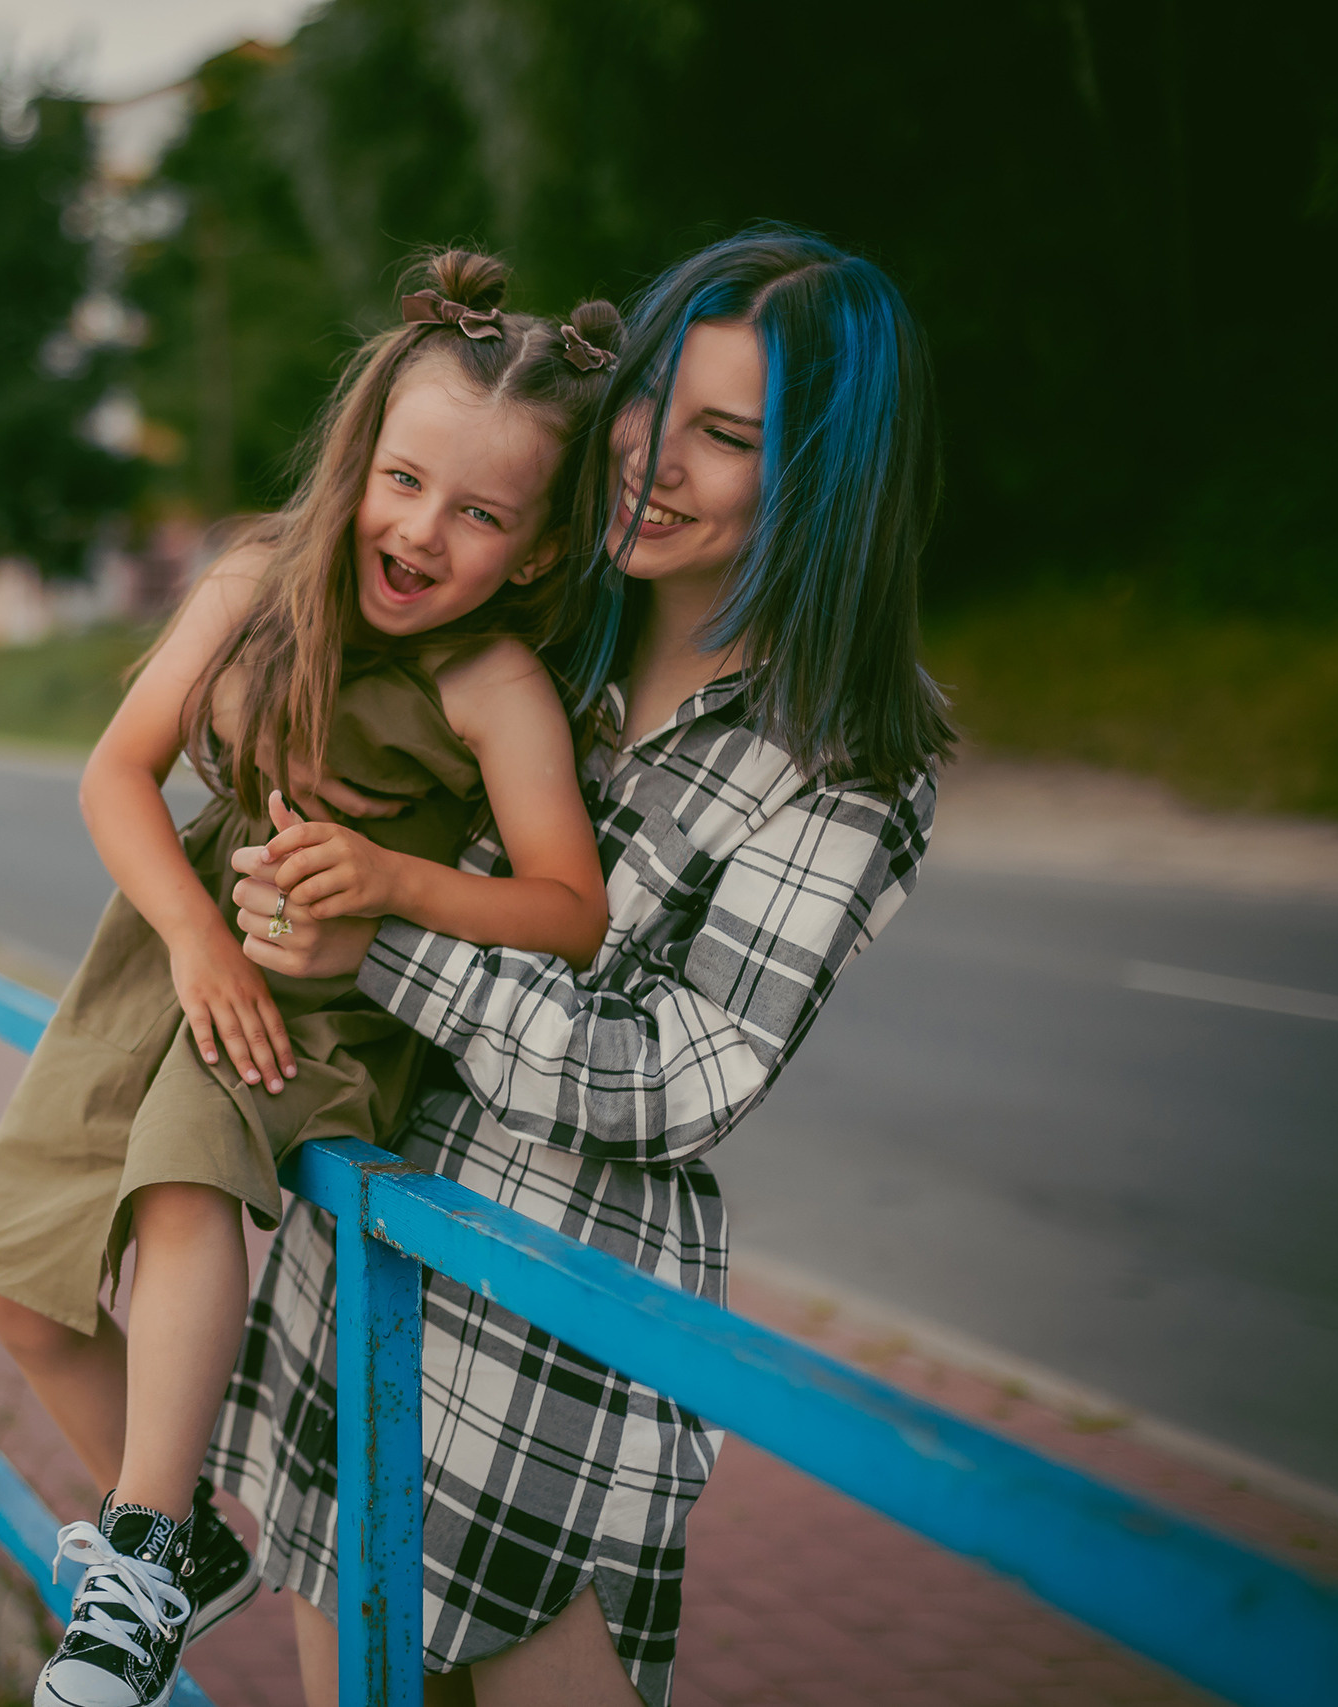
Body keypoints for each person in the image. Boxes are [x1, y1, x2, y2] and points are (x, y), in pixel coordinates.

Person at [213, 225, 956, 1707]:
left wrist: (384, 943)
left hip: (554, 1330)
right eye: (653, 407)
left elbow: (682, 1075)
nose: (651, 464)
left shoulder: (851, 756)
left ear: (823, 478)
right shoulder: (537, 616)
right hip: (356, 1251)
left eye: (725, 438)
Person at [0, 249, 622, 1707]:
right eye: (404, 480)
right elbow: (118, 773)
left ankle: (130, 1567)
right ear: (358, 459)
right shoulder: (256, 583)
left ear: (543, 551)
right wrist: (191, 936)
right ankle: (188, 1539)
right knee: (12, 1283)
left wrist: (393, 884)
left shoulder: (488, 684)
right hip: (172, 951)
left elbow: (571, 907)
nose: (425, 531)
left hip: (329, 1003)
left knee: (190, 1176)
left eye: (482, 513)